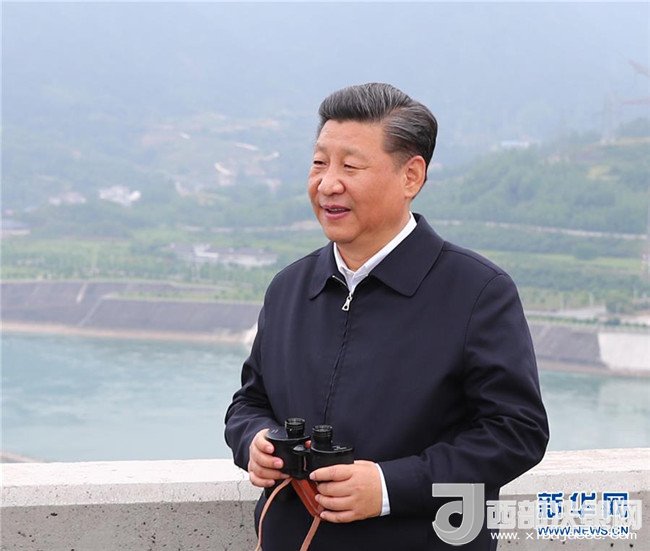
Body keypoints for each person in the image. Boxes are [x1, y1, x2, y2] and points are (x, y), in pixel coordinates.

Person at [225, 83, 549, 550]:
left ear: (411, 176)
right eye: (319, 163)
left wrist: (389, 487)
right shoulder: (289, 287)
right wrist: (255, 441)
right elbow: (249, 402)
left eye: (350, 166)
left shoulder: (477, 291)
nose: (328, 184)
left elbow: (517, 433)